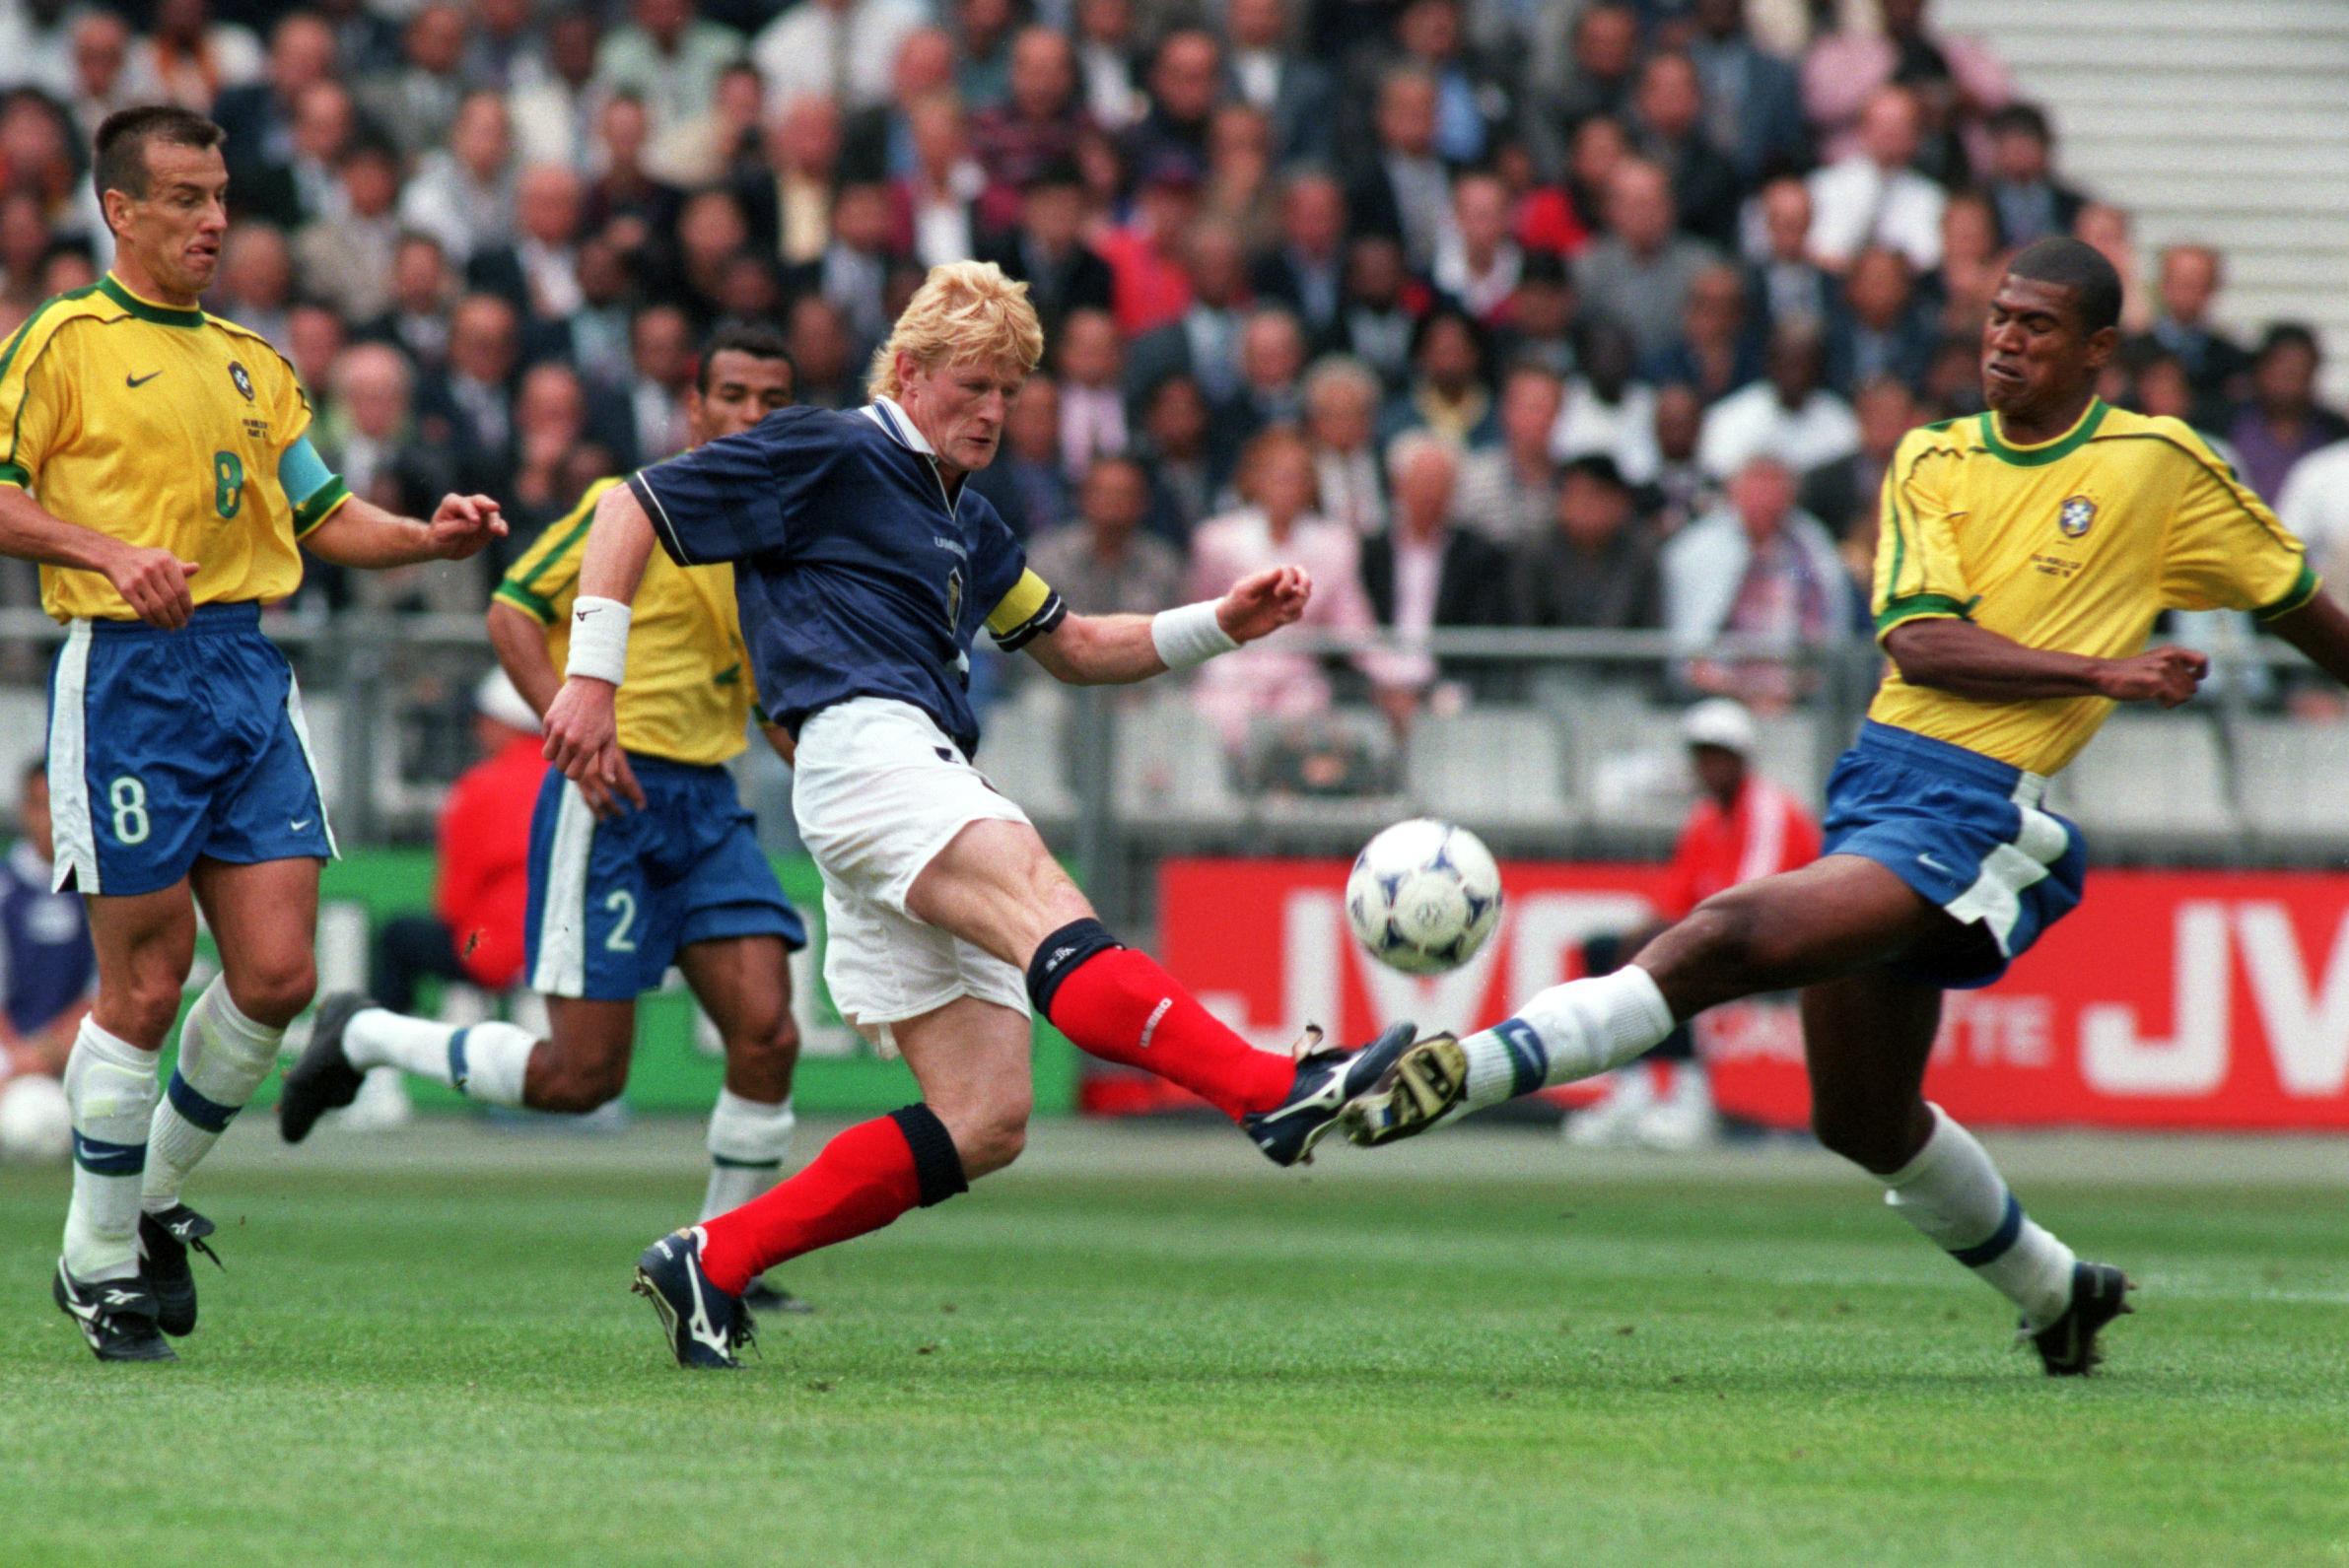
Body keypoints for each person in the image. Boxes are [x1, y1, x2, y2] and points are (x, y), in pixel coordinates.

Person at [1342, 237, 2349, 1378]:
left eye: (2036, 326)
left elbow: (2296, 602)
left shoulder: (2158, 463)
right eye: (1997, 319)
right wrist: (2098, 672)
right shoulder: (1932, 457)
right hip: (1878, 781)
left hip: (1974, 807)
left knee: (1726, 933)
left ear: (2099, 348)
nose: (2006, 342)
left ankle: (1460, 1073)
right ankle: (2058, 1290)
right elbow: (1918, 641)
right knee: (1859, 1117)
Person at [535, 261, 1412, 1367]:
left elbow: (1077, 646)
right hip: (868, 747)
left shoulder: (966, 517)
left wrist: (1220, 624)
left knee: (985, 1115)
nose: (995, 411)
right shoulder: (835, 448)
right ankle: (1267, 1091)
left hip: (892, 765)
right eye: (975, 385)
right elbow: (633, 505)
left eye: (1011, 391)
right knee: (1046, 899)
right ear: (908, 372)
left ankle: (712, 1257)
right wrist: (592, 677)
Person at [3, 106, 503, 1363]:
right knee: (147, 981)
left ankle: (150, 1195)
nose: (211, 218)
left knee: (277, 975)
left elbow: (322, 509)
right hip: (125, 675)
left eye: (218, 194)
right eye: (180, 197)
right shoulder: (63, 340)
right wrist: (107, 551)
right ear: (120, 210)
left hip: (243, 670)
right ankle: (98, 1259)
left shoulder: (251, 359)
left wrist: (425, 536)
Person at [283, 322, 816, 1316]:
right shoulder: (631, 505)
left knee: (769, 1033)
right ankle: (366, 1036)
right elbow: (511, 609)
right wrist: (574, 722)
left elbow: (765, 695)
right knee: (580, 1078)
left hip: (706, 804)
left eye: (771, 400)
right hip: (607, 801)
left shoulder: (775, 541)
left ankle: (719, 1254)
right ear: (693, 409)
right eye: (732, 395)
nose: (749, 416)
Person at [1566, 699, 1821, 1151]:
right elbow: (1677, 899)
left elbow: (1751, 902)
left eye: (1719, 754)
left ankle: (1690, 1098)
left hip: (1787, 945)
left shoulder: (1769, 810)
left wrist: (1664, 935)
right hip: (1726, 936)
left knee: (1673, 956)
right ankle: (1634, 1087)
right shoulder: (1705, 818)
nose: (1709, 765)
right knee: (1607, 951)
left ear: (1742, 759)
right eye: (1702, 755)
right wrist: (1642, 937)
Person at [368, 670, 543, 1018]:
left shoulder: (481, 786)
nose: (478, 729)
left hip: (497, 946)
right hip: (562, 945)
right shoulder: (572, 777)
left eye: (483, 720)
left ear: (504, 723)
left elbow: (455, 899)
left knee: (398, 937)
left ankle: (381, 1056)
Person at [0, 758, 95, 1081]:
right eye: (41, 806)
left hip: (78, 1047)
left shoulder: (99, 889)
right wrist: (17, 1057)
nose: (51, 820)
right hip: (7, 1051)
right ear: (24, 810)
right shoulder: (5, 887)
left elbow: (107, 991)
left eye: (59, 807)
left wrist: (45, 1052)